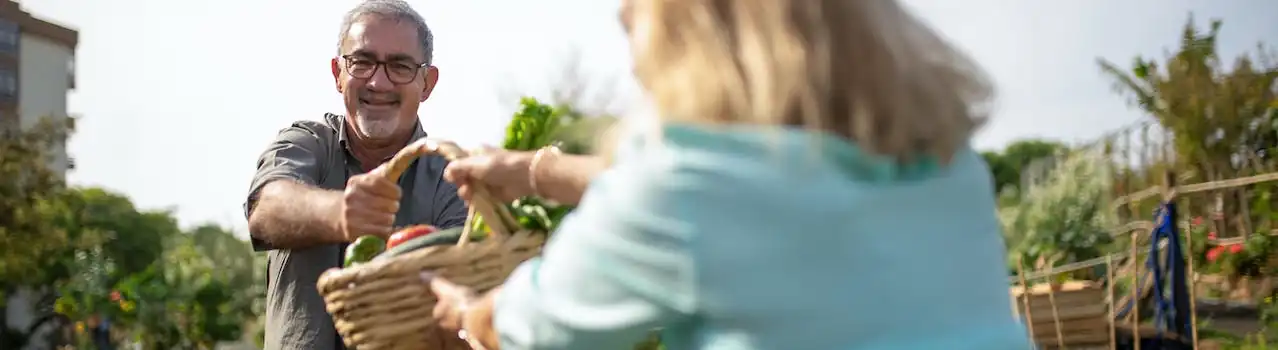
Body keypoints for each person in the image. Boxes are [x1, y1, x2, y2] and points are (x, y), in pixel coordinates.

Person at [426, 0, 1033, 349]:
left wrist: (468, 312)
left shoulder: (680, 190)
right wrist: (532, 171)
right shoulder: (949, 165)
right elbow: (740, 195)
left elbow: (533, 327)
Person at [242, 1, 468, 349]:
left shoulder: (453, 176)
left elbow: (468, 280)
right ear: (338, 73)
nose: (378, 81)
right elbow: (266, 209)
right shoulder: (306, 143)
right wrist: (340, 213)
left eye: (400, 66)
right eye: (362, 62)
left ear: (427, 83)